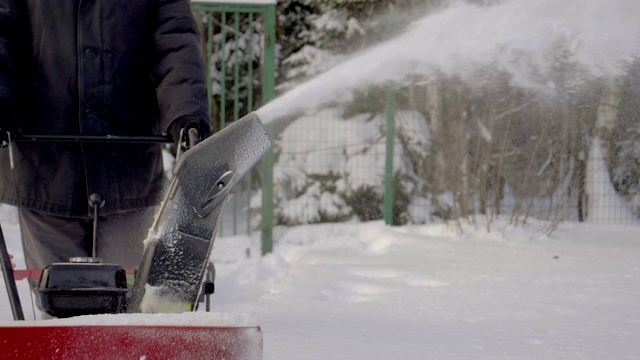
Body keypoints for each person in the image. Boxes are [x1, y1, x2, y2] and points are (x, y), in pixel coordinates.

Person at [0, 0, 211, 273]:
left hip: (127, 159)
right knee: (59, 295)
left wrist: (186, 111)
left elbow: (174, 37)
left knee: (125, 294)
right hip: (46, 157)